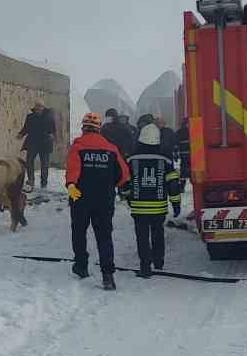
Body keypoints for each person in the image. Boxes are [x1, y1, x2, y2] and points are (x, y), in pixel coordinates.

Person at [65, 112, 129, 290]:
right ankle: (108, 276)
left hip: (80, 197)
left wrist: (71, 188)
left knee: (79, 232)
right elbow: (124, 175)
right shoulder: (110, 148)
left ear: (83, 128)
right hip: (104, 199)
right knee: (104, 236)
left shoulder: (77, 147)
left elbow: (72, 172)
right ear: (98, 128)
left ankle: (81, 266)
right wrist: (110, 185)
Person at [124, 124, 184, 277]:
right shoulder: (166, 161)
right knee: (158, 233)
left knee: (142, 236)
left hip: (138, 207)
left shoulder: (131, 160)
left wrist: (129, 198)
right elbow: (173, 185)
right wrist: (176, 204)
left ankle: (145, 267)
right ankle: (158, 262)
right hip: (159, 208)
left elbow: (124, 183)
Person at [16, 100, 56, 191]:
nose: (38, 109)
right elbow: (26, 128)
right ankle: (31, 181)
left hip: (45, 144)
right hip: (32, 143)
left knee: (44, 164)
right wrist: (21, 134)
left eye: (40, 107)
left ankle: (44, 183)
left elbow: (53, 129)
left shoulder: (49, 117)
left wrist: (52, 135)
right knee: (29, 162)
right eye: (37, 107)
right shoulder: (30, 117)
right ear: (35, 108)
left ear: (43, 107)